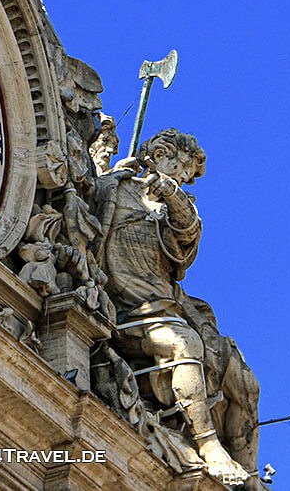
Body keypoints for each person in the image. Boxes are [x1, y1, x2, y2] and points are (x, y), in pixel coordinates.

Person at [93, 128, 254, 486]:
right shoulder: (115, 190)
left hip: (172, 307)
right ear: (161, 153)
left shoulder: (175, 208)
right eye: (180, 170)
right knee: (185, 345)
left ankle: (252, 476)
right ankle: (209, 445)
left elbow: (187, 234)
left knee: (245, 383)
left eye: (186, 178)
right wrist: (103, 152)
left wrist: (171, 193)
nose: (183, 181)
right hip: (129, 311)